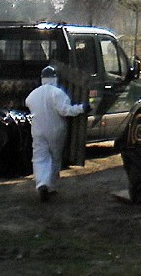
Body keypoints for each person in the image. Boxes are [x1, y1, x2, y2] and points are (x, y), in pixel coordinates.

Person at [25, 65, 86, 201]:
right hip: (56, 130)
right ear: (55, 78)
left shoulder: (33, 94)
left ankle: (41, 183)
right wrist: (82, 108)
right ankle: (51, 186)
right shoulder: (57, 93)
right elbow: (65, 110)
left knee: (39, 158)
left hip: (38, 130)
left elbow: (28, 103)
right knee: (54, 158)